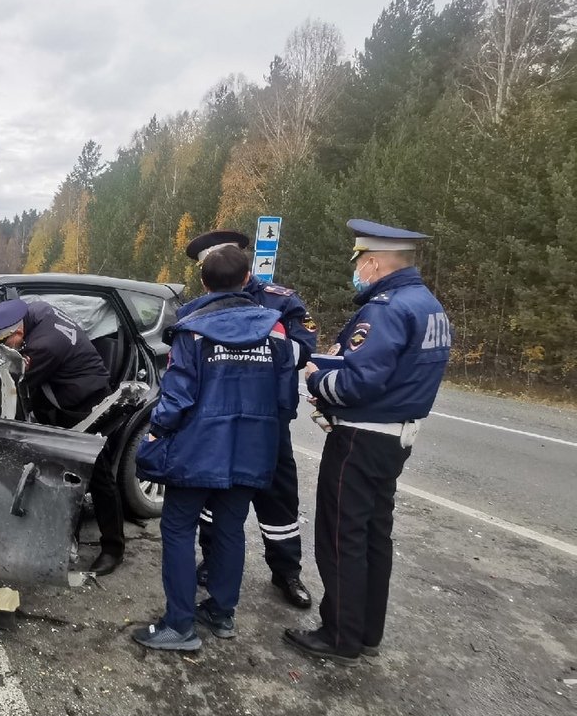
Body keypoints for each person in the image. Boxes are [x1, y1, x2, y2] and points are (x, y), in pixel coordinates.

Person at [284, 219, 451, 666]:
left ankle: (340, 636)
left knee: (342, 538)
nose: (357, 268)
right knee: (375, 536)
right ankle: (366, 632)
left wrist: (317, 378)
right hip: (396, 437)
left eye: (360, 261)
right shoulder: (428, 305)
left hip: (361, 438)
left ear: (374, 262)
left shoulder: (385, 308)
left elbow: (357, 385)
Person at [132, 245, 298, 651]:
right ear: (247, 280)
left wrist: (156, 432)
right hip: (253, 448)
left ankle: (180, 625)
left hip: (197, 449)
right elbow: (286, 399)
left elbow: (177, 396)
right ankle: (222, 614)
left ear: (203, 281)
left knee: (177, 529)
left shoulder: (192, 328)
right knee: (229, 529)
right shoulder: (275, 330)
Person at [185, 230, 318, 610]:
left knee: (277, 496)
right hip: (218, 418)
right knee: (214, 492)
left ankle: (286, 571)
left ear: (242, 266)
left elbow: (304, 350)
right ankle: (212, 560)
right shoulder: (201, 305)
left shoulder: (280, 300)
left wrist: (255, 338)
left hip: (268, 419)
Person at [0, 298, 125, 575]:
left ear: (17, 333)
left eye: (3, 343)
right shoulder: (35, 310)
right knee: (62, 472)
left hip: (85, 404)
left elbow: (15, 386)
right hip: (62, 396)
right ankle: (66, 535)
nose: (1, 349)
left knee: (97, 476)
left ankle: (113, 549)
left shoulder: (43, 346)